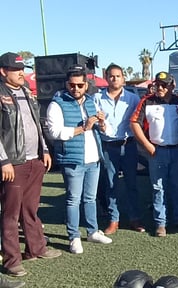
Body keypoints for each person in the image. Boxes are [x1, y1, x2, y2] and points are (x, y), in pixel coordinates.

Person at [0, 52, 62, 277]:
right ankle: (12, 261)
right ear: (3, 71)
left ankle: (36, 248)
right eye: (16, 70)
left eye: (22, 69)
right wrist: (3, 161)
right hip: (13, 163)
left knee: (31, 209)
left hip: (34, 160)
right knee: (10, 214)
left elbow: (37, 124)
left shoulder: (26, 92)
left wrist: (44, 150)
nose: (21, 73)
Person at [46, 64, 112, 254]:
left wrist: (101, 123)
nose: (75, 89)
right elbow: (55, 132)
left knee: (90, 198)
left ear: (86, 85)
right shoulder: (57, 104)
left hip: (93, 158)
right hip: (72, 159)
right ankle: (73, 236)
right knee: (73, 200)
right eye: (72, 85)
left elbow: (101, 130)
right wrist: (84, 127)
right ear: (66, 84)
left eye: (80, 85)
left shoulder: (91, 101)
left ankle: (92, 231)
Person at [130, 71, 178, 237]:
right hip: (157, 151)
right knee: (158, 188)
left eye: (165, 85)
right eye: (158, 84)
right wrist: (147, 145)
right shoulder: (147, 101)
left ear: (172, 85)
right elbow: (134, 122)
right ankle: (160, 223)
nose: (161, 88)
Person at [95, 64, 145, 235]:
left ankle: (134, 218)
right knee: (111, 184)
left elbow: (138, 120)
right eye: (111, 76)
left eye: (118, 76)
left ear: (123, 78)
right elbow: (94, 122)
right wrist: (100, 124)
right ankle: (113, 219)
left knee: (132, 184)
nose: (115, 79)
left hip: (129, 145)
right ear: (107, 78)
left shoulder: (133, 98)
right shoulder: (97, 98)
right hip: (109, 147)